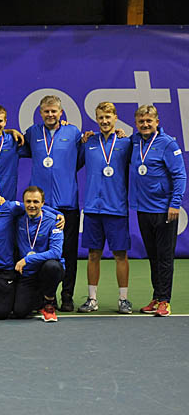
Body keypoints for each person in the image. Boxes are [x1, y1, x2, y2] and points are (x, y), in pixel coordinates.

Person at [0, 171, 63, 323]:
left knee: (3, 313)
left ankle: (41, 299)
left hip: (3, 269)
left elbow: (33, 207)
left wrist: (58, 214)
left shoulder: (10, 207)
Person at [19, 94, 84, 312]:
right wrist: (10, 131)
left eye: (53, 111)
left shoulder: (73, 133)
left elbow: (81, 159)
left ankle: (67, 295)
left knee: (68, 253)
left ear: (60, 112)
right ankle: (47, 296)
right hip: (42, 207)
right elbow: (16, 145)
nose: (50, 115)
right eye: (46, 111)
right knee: (40, 252)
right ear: (40, 113)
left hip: (67, 204)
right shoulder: (32, 133)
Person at [129, 105, 186, 317]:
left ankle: (165, 301)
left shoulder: (168, 144)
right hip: (143, 210)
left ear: (157, 122)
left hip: (164, 210)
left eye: (148, 121)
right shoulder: (134, 141)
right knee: (153, 256)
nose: (145, 125)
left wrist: (175, 203)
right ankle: (156, 296)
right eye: (141, 121)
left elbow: (180, 175)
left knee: (165, 257)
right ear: (136, 123)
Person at [79, 102, 133, 314]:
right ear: (96, 119)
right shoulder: (88, 142)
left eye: (108, 117)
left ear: (115, 118)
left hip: (116, 209)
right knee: (93, 255)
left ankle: (123, 300)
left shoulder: (126, 143)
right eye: (100, 117)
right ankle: (92, 299)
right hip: (93, 209)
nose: (104, 121)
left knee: (120, 255)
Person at [14, 186, 65, 322]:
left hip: (45, 270)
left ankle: (49, 302)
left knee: (53, 266)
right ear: (23, 203)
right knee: (20, 311)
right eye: (28, 201)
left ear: (43, 203)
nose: (32, 205)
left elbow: (56, 252)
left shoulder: (54, 221)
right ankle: (38, 298)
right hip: (27, 274)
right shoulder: (18, 218)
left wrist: (27, 259)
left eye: (36, 202)